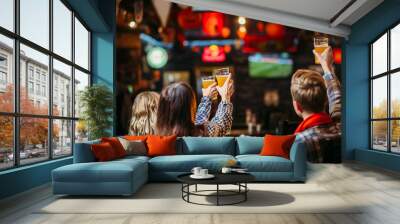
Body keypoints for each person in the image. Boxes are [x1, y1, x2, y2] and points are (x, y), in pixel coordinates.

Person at [291, 47, 341, 162]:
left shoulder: (298, 143)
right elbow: (337, 99)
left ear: (297, 106)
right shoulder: (342, 127)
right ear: (326, 100)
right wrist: (327, 67)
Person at [156, 76, 234, 137]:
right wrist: (225, 97)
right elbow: (222, 126)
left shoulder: (155, 135)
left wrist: (206, 99)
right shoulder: (200, 134)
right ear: (190, 107)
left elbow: (199, 122)